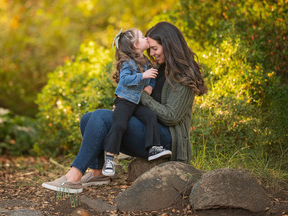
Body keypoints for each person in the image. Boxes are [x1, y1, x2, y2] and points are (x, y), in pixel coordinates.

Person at [42, 21, 207, 194]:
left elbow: (171, 116)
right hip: (147, 128)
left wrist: (139, 95)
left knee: (100, 117)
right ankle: (98, 173)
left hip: (166, 140)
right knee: (88, 119)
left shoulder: (183, 76)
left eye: (155, 49)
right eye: (149, 49)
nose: (151, 53)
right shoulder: (158, 68)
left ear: (168, 45)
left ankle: (73, 177)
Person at [102, 28, 171, 177]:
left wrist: (149, 86)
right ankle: (109, 158)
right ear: (135, 45)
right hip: (125, 101)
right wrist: (142, 76)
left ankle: (153, 147)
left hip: (137, 101)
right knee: (119, 124)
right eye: (142, 37)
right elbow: (125, 80)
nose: (147, 38)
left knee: (150, 116)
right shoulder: (127, 62)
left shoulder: (146, 61)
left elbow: (151, 76)